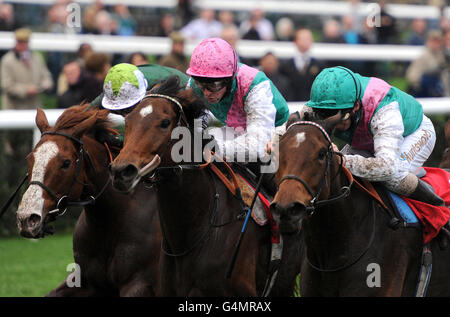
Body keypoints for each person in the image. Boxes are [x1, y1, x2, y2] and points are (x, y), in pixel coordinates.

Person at [302, 66, 444, 206]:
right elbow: (288, 133)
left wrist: (339, 159)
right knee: (335, 172)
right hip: (369, 139)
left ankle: (439, 207)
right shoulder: (318, 105)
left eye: (342, 117)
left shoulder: (384, 111)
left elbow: (387, 168)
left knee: (394, 177)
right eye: (326, 116)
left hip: (415, 132)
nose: (337, 125)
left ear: (356, 106)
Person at [186, 37, 289, 172]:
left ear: (230, 79)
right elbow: (194, 123)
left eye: (213, 85)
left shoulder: (255, 85)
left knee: (266, 170)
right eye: (200, 84)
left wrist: (212, 147)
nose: (206, 93)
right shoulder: (194, 83)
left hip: (274, 132)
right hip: (237, 127)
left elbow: (257, 146)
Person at [89, 63, 189, 115]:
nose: (124, 114)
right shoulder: (117, 84)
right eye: (121, 110)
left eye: (128, 109)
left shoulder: (168, 87)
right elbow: (90, 109)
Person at [0, 27, 53, 110]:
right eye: (20, 42)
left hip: (34, 107)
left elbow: (46, 76)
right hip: (14, 108)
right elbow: (6, 85)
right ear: (16, 42)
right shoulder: (7, 60)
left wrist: (45, 85)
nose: (23, 45)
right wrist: (26, 90)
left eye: (25, 42)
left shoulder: (37, 57)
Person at [279, 28, 323, 101]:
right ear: (295, 41)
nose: (307, 41)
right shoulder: (285, 65)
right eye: (303, 38)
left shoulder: (319, 65)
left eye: (309, 39)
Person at [406, 29, 446, 97]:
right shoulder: (424, 56)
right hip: (424, 90)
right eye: (433, 41)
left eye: (438, 41)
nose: (436, 43)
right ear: (429, 41)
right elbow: (412, 76)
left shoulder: (443, 55)